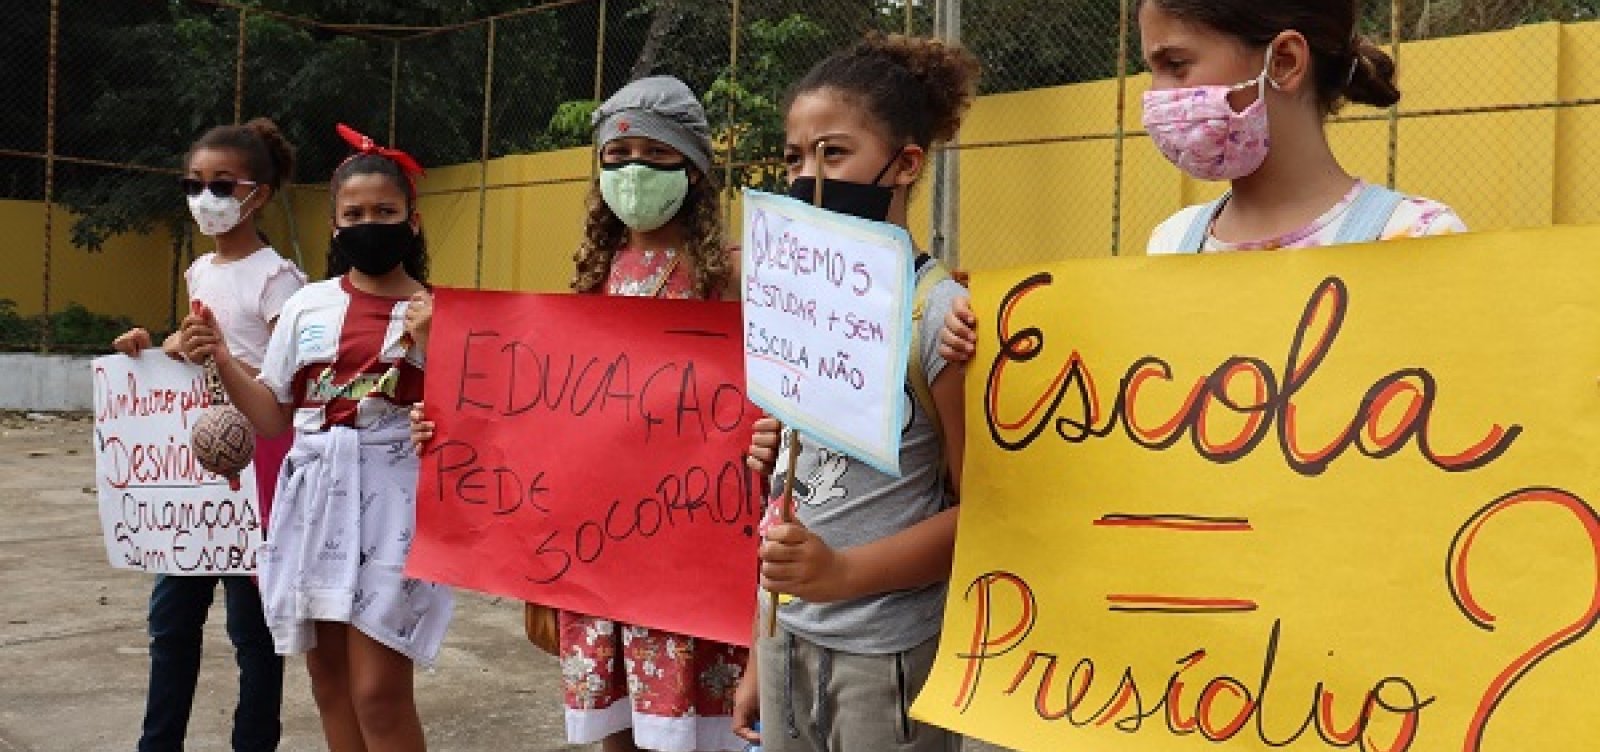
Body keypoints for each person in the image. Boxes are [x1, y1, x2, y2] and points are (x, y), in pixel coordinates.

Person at [409, 75, 746, 752]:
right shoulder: (598, 273)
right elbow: (543, 402)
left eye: (654, 154)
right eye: (616, 158)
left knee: (688, 730)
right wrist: (448, 417)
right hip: (602, 548)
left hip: (687, 548)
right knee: (615, 729)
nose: (632, 171)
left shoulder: (732, 276)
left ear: (695, 167)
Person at [938, 0, 1466, 361]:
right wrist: (992, 339)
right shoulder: (1173, 241)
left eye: (1176, 64)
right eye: (1153, 68)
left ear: (1283, 62)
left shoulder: (1415, 237)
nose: (1155, 95)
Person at [733, 33, 979, 752]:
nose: (807, 176)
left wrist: (842, 573)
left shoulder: (937, 319)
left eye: (833, 153)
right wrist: (759, 646)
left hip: (886, 654)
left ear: (905, 164)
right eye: (793, 157)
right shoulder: (792, 302)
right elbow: (790, 493)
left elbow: (985, 516)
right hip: (786, 639)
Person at [180, 123, 454, 752]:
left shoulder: (440, 310)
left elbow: (471, 425)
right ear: (334, 226)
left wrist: (439, 345)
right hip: (311, 501)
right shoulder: (308, 305)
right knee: (328, 684)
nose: (369, 223)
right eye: (353, 213)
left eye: (385, 211)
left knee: (379, 695)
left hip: (394, 509)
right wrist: (222, 356)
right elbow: (276, 417)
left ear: (412, 221)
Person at [112, 117, 303, 752]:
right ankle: (156, 743)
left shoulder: (281, 281)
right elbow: (191, 351)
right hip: (189, 481)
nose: (205, 198)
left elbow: (288, 386)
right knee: (171, 624)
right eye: (194, 184)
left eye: (223, 185)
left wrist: (221, 357)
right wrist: (157, 348)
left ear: (260, 195)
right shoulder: (200, 271)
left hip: (258, 475)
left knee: (254, 634)